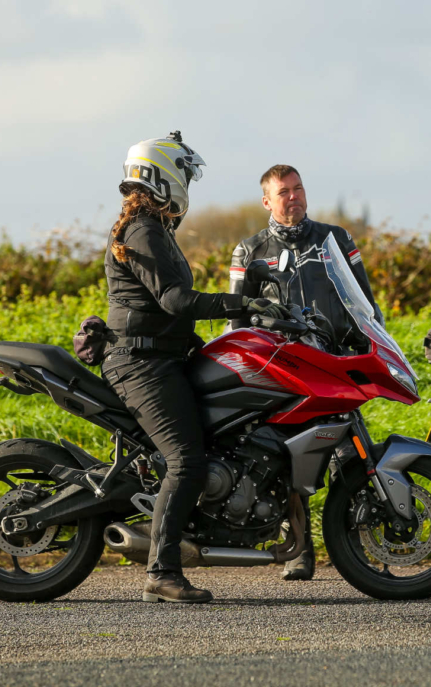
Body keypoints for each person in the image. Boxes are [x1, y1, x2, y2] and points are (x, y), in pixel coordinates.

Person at [102, 132, 289, 603]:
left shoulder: (152, 228)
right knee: (186, 460)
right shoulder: (143, 228)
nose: (188, 184)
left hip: (162, 356)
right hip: (142, 364)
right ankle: (162, 571)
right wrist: (245, 303)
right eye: (184, 174)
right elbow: (176, 300)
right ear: (164, 176)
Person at [227, 164, 383, 580]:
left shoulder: (336, 238)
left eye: (298, 189)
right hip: (281, 372)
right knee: (287, 460)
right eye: (284, 192)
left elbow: (363, 301)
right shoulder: (249, 250)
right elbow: (234, 320)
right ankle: (298, 549)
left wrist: (375, 345)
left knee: (349, 454)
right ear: (267, 201)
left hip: (332, 365)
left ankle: (357, 550)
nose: (293, 197)